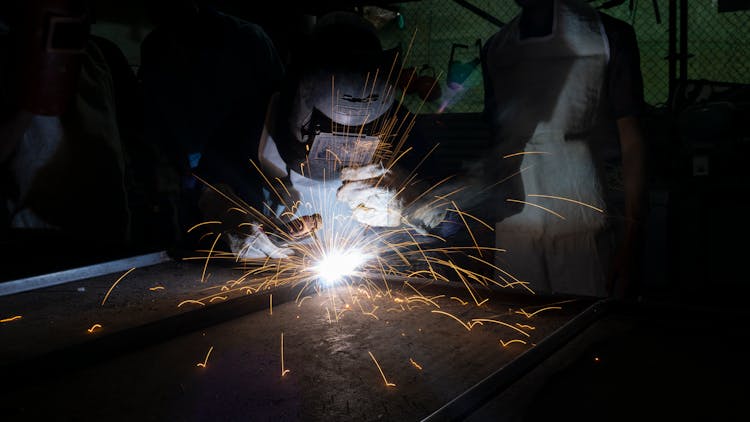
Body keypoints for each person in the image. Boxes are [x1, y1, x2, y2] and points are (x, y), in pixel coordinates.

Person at [216, 10, 457, 260]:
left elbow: (455, 224)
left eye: (360, 130)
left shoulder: (400, 127)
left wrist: (419, 207)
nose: (342, 143)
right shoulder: (256, 119)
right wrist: (225, 217)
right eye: (327, 126)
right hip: (274, 269)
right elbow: (203, 186)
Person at [480, 0, 648, 299]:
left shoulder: (606, 35)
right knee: (519, 331)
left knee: (584, 329)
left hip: (581, 219)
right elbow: (494, 143)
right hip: (514, 223)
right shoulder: (497, 49)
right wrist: (486, 236)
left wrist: (631, 239)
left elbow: (632, 142)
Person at [138, 0, 285, 256]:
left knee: (251, 254)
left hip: (245, 184)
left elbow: (277, 122)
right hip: (185, 190)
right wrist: (197, 187)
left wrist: (284, 193)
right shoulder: (155, 48)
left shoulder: (247, 42)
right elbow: (153, 130)